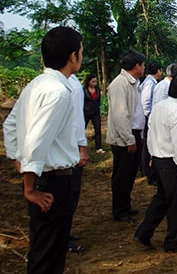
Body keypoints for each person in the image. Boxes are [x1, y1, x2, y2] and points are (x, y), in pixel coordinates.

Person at [3, 26, 84, 274]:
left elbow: (10, 125)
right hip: (52, 185)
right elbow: (37, 141)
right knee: (49, 257)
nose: (81, 56)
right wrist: (29, 188)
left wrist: (19, 160)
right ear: (72, 56)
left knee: (43, 251)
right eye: (81, 51)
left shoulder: (37, 83)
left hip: (45, 180)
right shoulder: (59, 92)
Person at [134, 74, 177, 253]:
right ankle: (174, 242)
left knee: (162, 198)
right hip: (172, 162)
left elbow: (151, 132)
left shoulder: (159, 106)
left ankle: (144, 232)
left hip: (159, 159)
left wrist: (153, 155)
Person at [106, 49, 146, 222]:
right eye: (143, 65)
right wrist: (129, 139)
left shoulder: (133, 83)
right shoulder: (119, 84)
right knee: (122, 174)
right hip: (124, 138)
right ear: (136, 66)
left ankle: (125, 206)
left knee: (130, 174)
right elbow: (120, 115)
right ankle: (119, 210)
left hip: (134, 134)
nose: (144, 68)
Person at [68, 74, 89, 253]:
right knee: (69, 194)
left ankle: (64, 232)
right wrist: (82, 148)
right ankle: (62, 235)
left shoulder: (39, 84)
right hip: (69, 150)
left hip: (66, 150)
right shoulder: (71, 86)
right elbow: (77, 121)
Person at [140, 62, 162, 185]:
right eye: (160, 70)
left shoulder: (151, 82)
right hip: (148, 117)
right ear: (157, 71)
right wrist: (149, 116)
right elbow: (145, 102)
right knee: (148, 145)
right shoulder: (150, 83)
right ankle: (146, 171)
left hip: (149, 116)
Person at [83, 74, 103, 153]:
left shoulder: (97, 89)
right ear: (88, 82)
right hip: (86, 112)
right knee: (82, 129)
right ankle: (81, 146)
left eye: (96, 81)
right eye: (93, 81)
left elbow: (98, 100)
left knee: (98, 130)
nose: (95, 83)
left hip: (95, 112)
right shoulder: (83, 90)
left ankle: (99, 147)